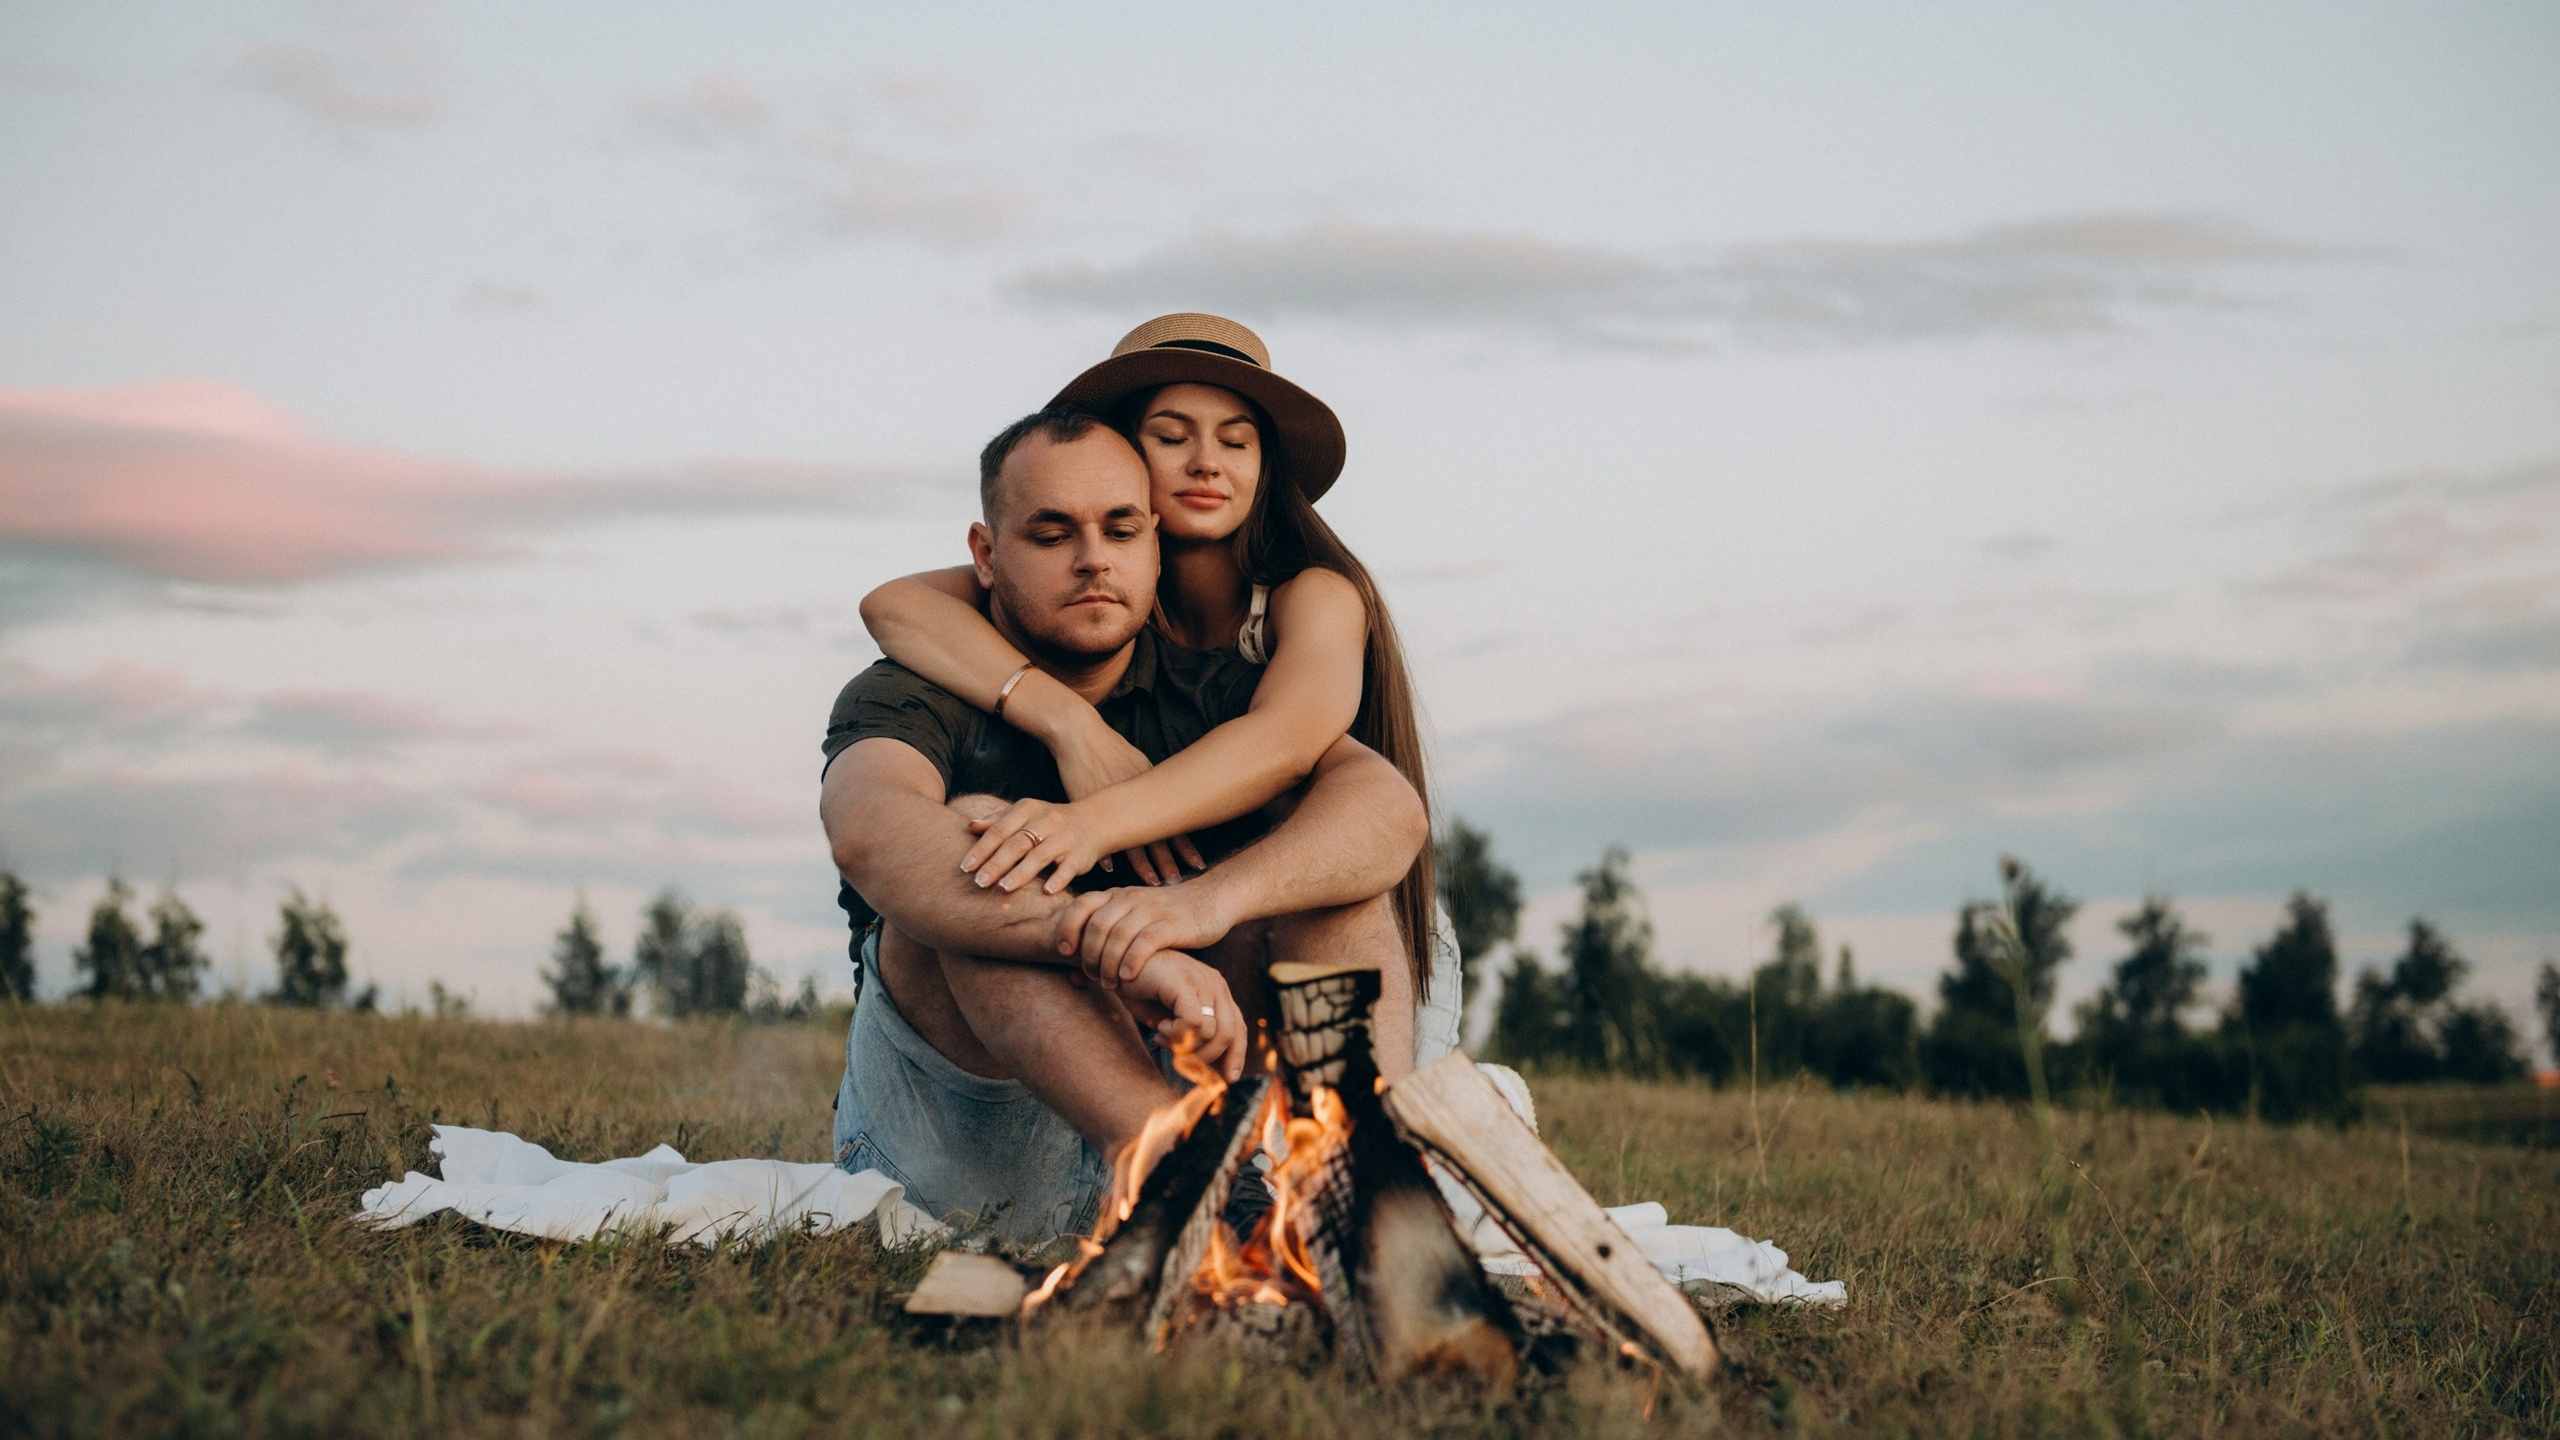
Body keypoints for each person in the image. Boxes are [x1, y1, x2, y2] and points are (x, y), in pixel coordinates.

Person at [819, 403, 1427, 1241]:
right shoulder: (911, 686)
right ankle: (1187, 1166)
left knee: (1329, 873)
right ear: (987, 556)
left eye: (1121, 529)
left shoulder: (1216, 692)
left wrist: (1202, 906)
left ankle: (1362, 1197)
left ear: (1156, 546)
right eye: (1052, 534)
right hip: (963, 1143)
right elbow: (870, 828)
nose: (1093, 559)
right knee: (978, 836)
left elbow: (1386, 812)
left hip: (1181, 1082)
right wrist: (1100, 938)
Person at [860, 313, 1460, 1071]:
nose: (1206, 462)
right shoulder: (1092, 571)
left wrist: (1094, 825)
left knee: (1350, 1125)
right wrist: (1071, 724)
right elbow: (894, 606)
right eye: (1173, 437)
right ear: (1119, 450)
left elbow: (1286, 740)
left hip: (1315, 902)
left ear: (1266, 464)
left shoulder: (1310, 594)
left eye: (1235, 441)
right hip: (1177, 908)